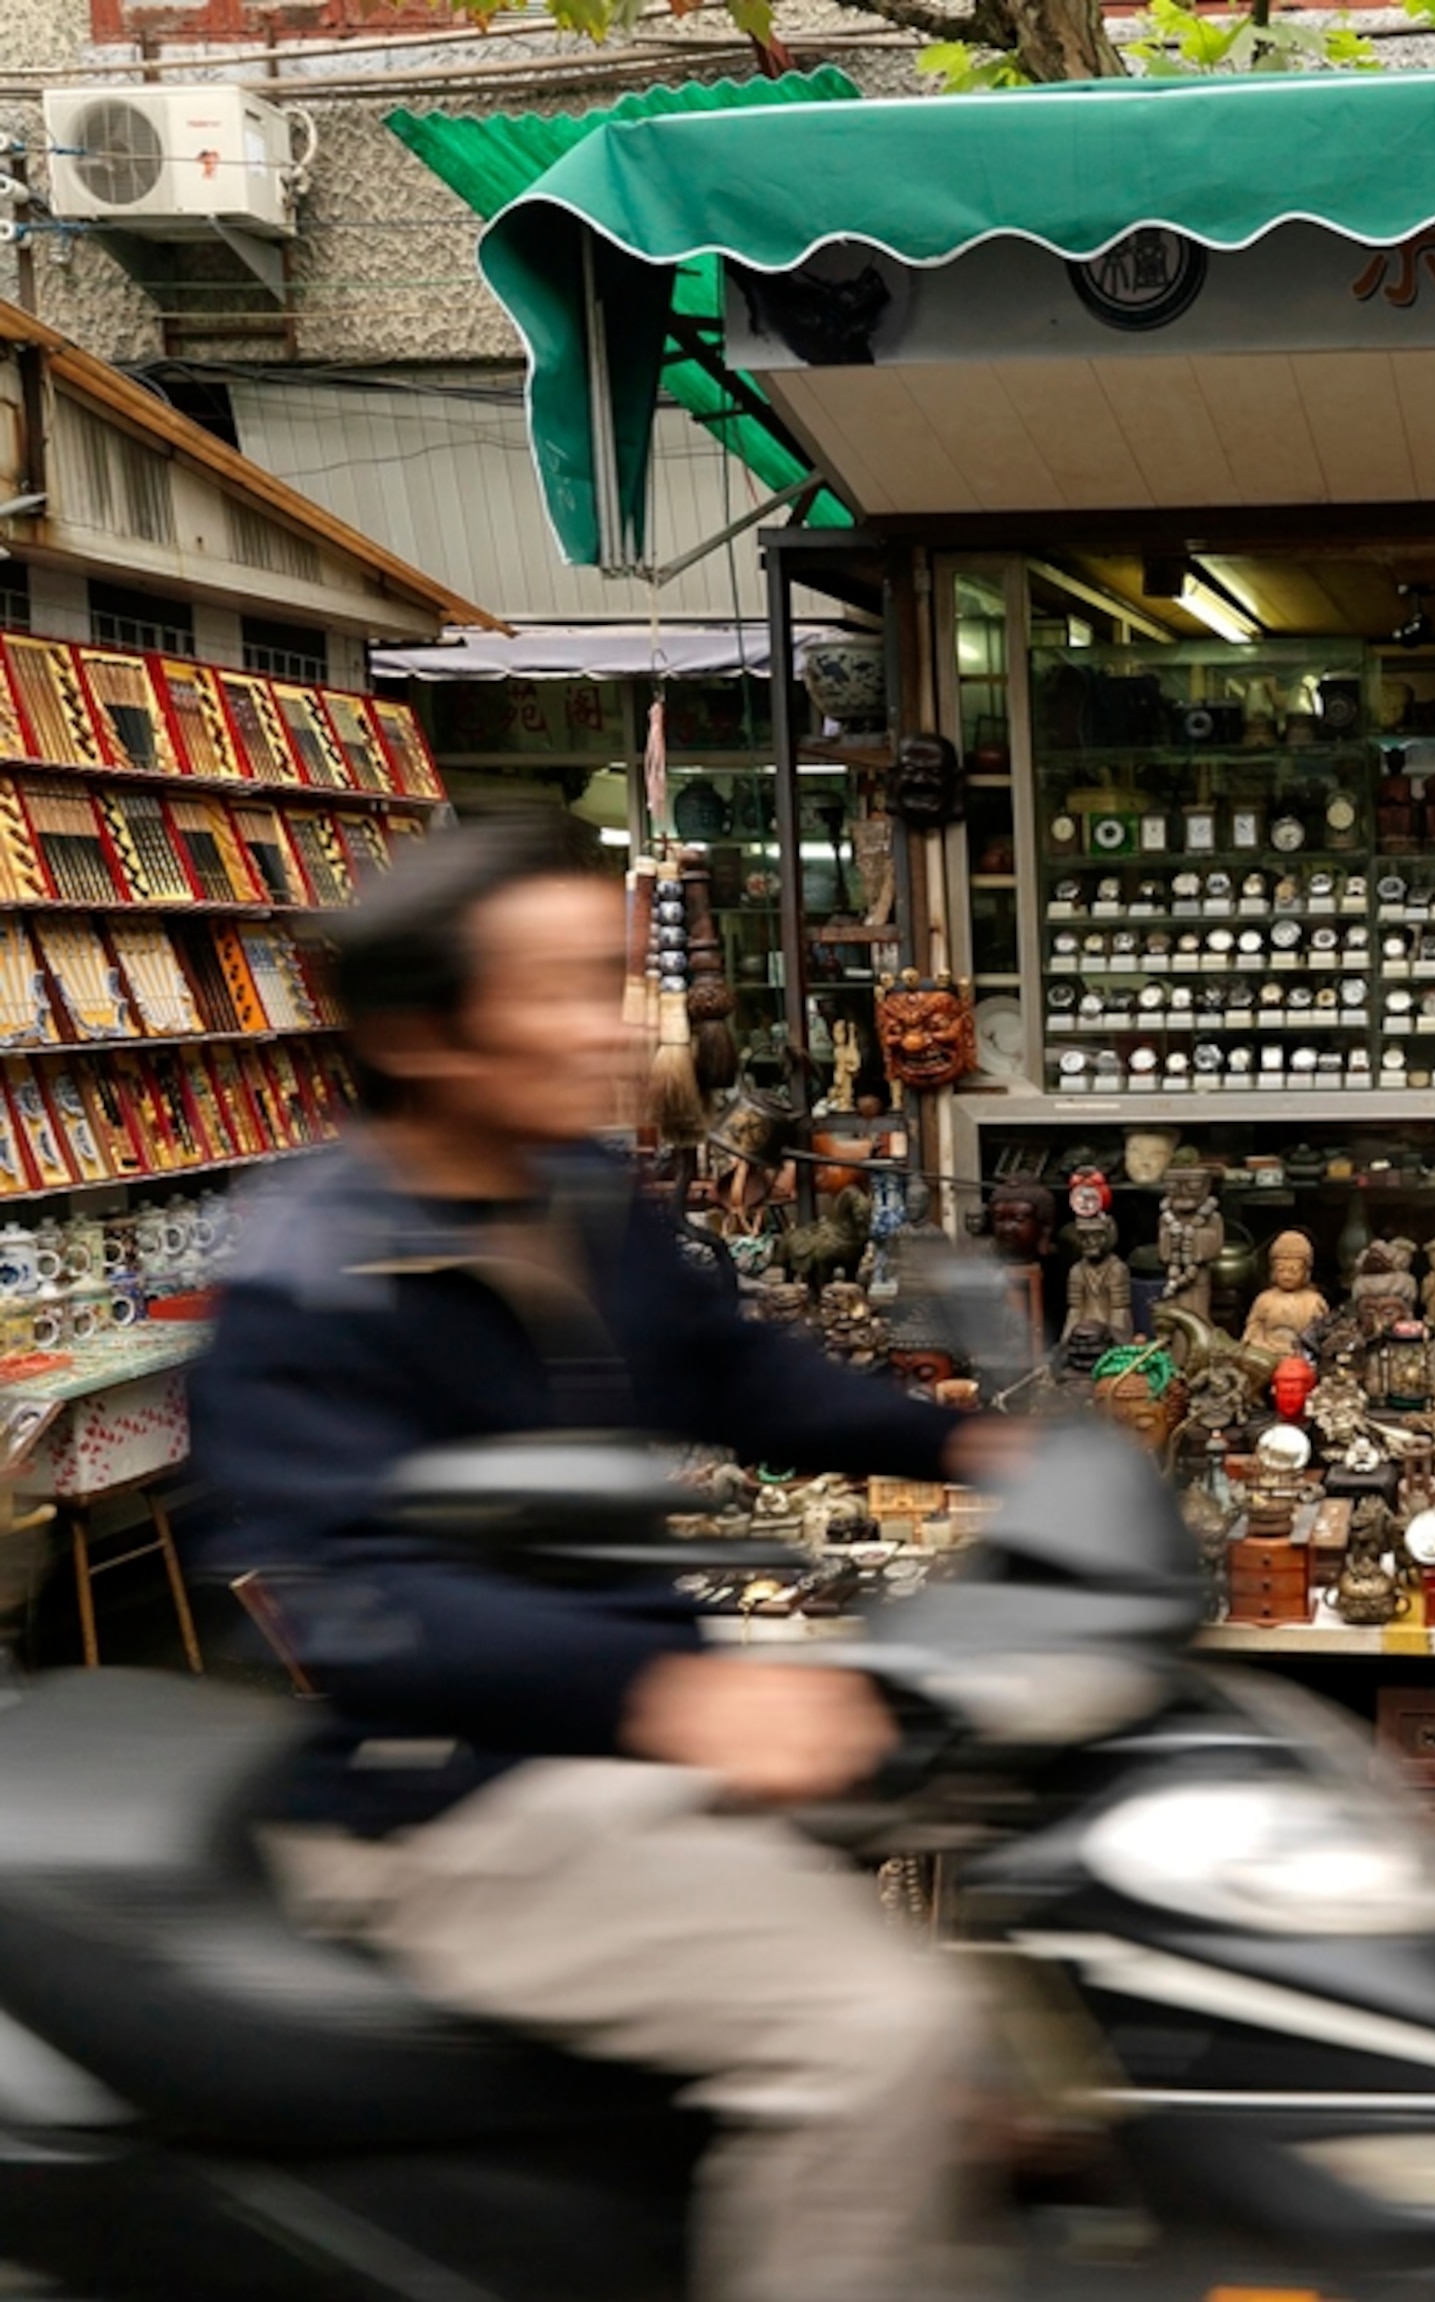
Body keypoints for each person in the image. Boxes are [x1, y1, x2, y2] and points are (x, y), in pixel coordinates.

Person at [190, 812, 1025, 2302]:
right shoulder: (313, 1277)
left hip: (612, 1754)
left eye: (613, 981)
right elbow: (360, 1600)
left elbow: (738, 1372)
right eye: (562, 990)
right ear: (422, 1032)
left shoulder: (577, 1193)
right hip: (455, 1800)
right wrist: (672, 1696)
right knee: (877, 2031)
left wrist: (974, 1445)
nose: (619, 1026)